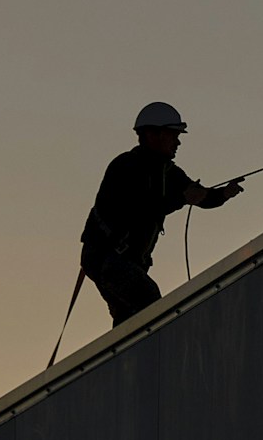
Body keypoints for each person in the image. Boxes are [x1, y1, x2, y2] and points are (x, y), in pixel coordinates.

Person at [79, 103, 244, 326]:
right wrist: (183, 198)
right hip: (107, 258)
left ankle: (129, 357)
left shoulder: (169, 173)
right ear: (151, 134)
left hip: (126, 262)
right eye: (172, 135)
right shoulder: (126, 166)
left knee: (130, 319)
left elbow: (200, 197)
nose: (178, 141)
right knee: (148, 302)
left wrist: (223, 194)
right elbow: (140, 207)